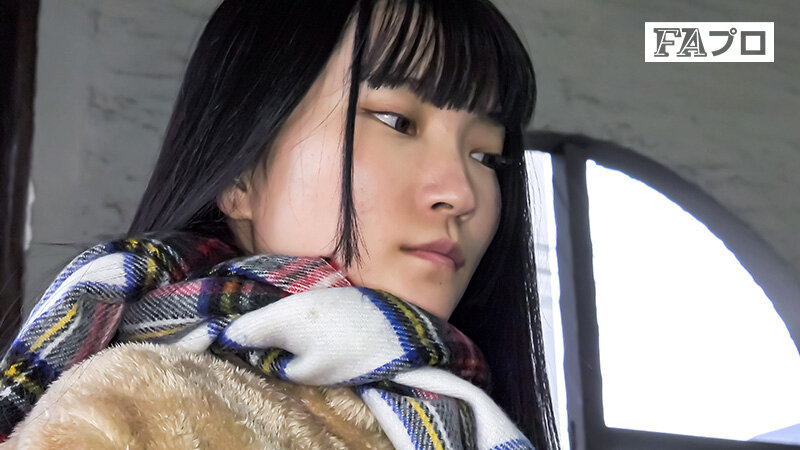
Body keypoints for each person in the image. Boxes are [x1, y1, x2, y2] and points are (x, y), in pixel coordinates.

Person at [0, 0, 558, 448]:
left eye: (486, 155)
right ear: (241, 174)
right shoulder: (135, 414)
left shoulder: (463, 415)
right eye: (396, 121)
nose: (461, 193)